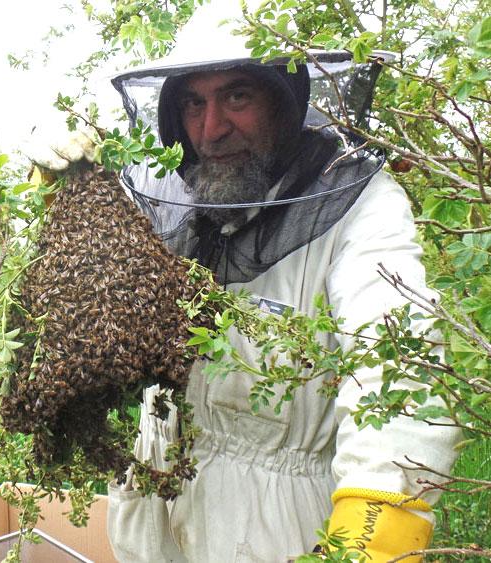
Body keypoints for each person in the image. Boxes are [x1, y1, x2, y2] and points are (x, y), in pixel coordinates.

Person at [30, 3, 460, 562]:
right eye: (193, 102)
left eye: (238, 96)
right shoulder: (176, 193)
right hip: (154, 509)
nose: (211, 128)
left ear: (285, 103)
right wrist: (73, 190)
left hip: (276, 528)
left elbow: (399, 365)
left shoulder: (362, 206)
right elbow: (96, 314)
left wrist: (377, 522)